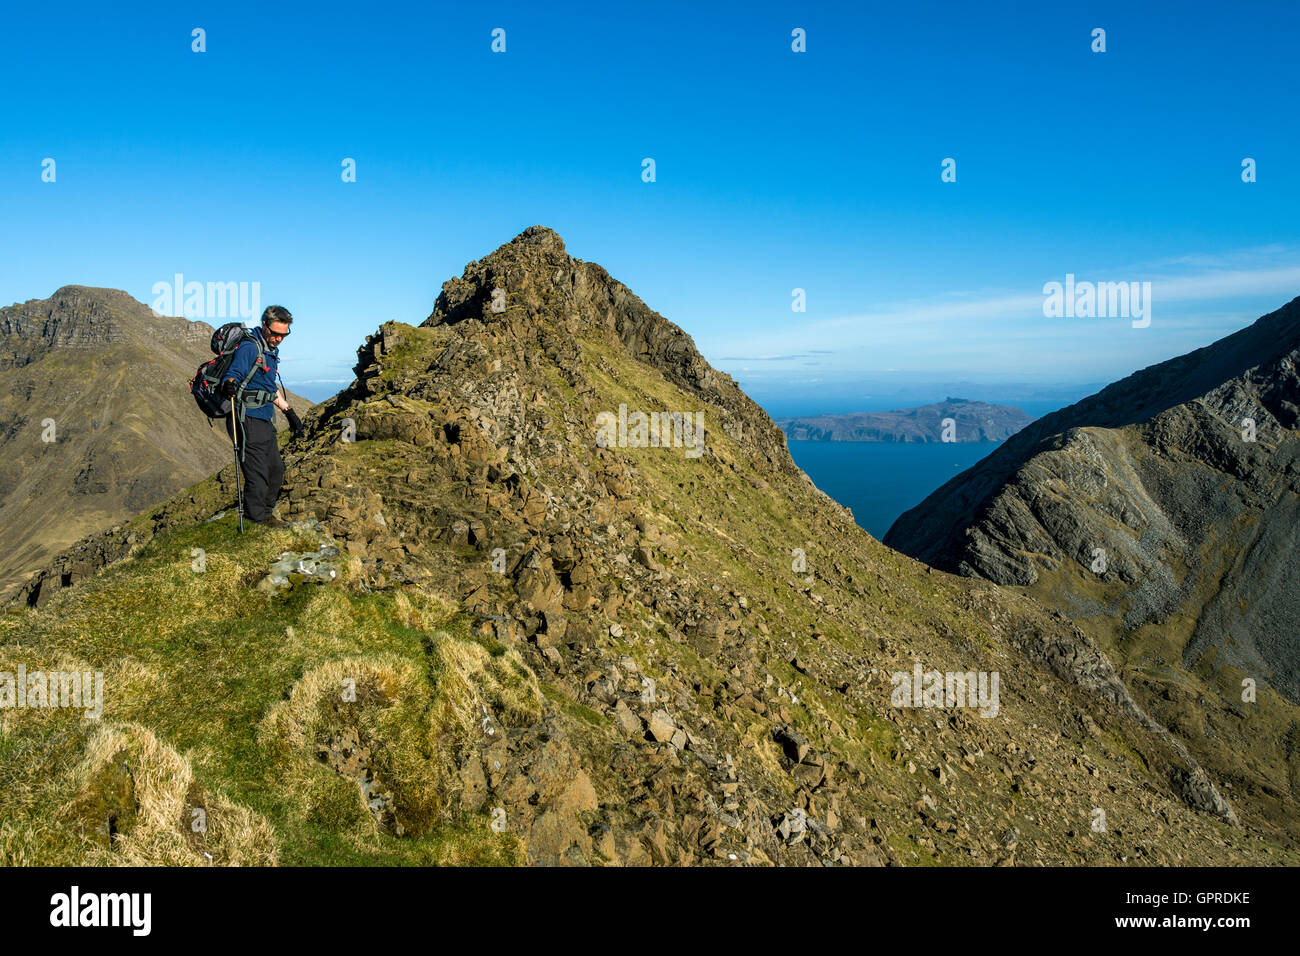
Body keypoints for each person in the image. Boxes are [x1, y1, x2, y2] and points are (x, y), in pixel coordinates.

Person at [219, 305, 303, 527]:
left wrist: (289, 412)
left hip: (264, 417)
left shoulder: (269, 349)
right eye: (275, 333)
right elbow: (233, 374)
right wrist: (230, 384)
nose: (279, 339)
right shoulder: (250, 347)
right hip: (247, 419)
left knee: (276, 468)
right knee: (257, 471)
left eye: (283, 335)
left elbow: (267, 385)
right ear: (264, 325)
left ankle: (266, 512)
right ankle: (257, 518)